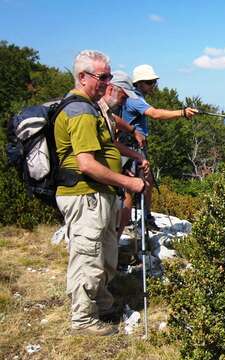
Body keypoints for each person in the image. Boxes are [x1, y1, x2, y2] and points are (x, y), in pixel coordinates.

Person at [54, 50, 146, 336]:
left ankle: (102, 304)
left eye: (109, 76)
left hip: (98, 195)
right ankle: (82, 320)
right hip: (85, 195)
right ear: (82, 77)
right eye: (102, 76)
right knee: (88, 256)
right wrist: (128, 183)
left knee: (105, 253)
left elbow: (105, 150)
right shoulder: (80, 111)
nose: (108, 82)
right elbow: (87, 164)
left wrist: (121, 173)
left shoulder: (91, 108)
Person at [121, 64, 198, 229]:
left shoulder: (135, 97)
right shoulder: (134, 99)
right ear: (139, 83)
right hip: (133, 146)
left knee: (145, 182)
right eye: (149, 82)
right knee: (132, 184)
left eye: (153, 82)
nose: (153, 85)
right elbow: (155, 114)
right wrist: (182, 113)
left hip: (134, 145)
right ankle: (132, 220)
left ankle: (143, 218)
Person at [96, 71, 150, 240]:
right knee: (127, 192)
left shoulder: (104, 112)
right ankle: (113, 246)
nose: (125, 101)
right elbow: (86, 162)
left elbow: (112, 134)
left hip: (105, 179)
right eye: (124, 97)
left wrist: (133, 133)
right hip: (90, 189)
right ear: (111, 89)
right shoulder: (90, 111)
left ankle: (114, 247)